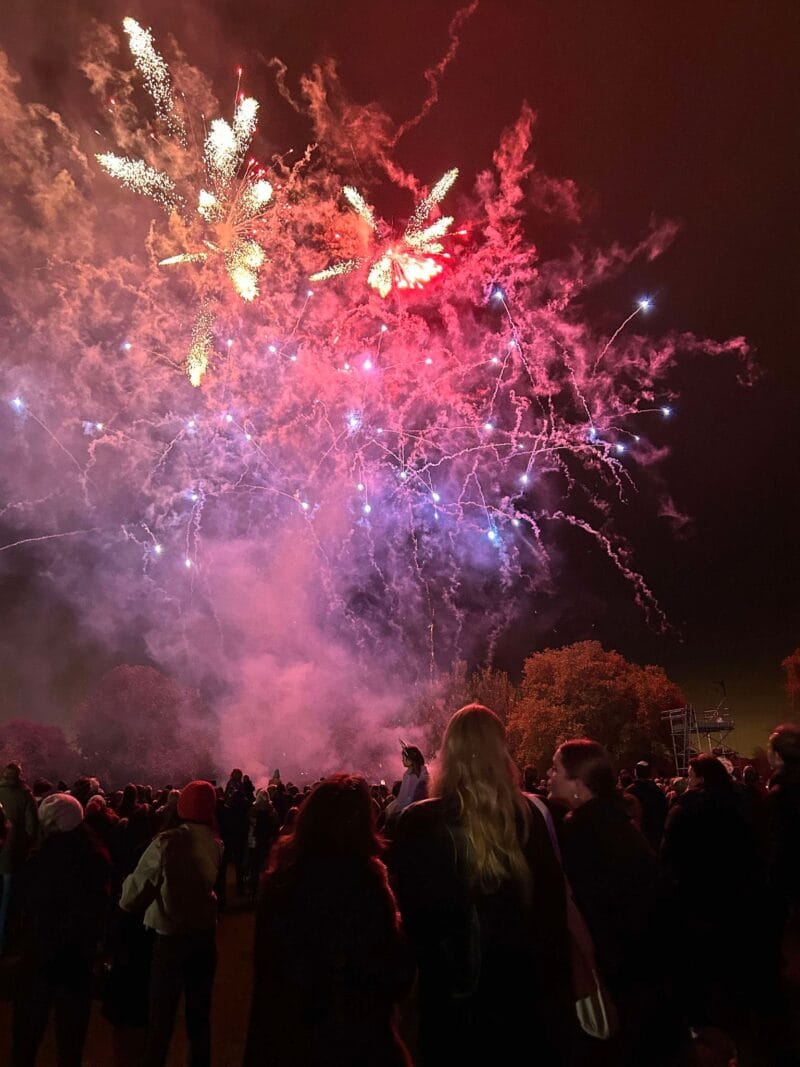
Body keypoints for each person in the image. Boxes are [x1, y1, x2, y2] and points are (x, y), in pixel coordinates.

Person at [390, 704, 574, 1066]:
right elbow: (552, 916)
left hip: (453, 1009)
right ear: (501, 750)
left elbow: (416, 926)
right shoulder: (536, 815)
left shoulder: (419, 822)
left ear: (448, 752)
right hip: (526, 1005)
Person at [244, 774, 413, 1067]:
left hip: (288, 1040)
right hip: (352, 1041)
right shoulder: (366, 884)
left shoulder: (280, 881)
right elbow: (393, 975)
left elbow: (267, 974)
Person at [548, 740, 684, 1066]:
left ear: (579, 784)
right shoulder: (613, 821)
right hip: (645, 976)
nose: (549, 775)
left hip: (620, 978)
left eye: (555, 768)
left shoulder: (582, 832)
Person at [120, 780, 223, 1067]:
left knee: (160, 1020)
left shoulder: (167, 842)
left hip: (171, 938)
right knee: (199, 1019)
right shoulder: (215, 842)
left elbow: (134, 892)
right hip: (204, 937)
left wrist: (124, 898)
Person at [12, 792, 111, 1067]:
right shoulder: (96, 853)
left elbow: (26, 900)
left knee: (28, 1031)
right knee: (71, 1037)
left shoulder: (41, 857)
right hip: (78, 955)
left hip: (41, 951)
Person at [0, 762, 39, 954]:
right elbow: (32, 829)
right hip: (11, 855)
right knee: (6, 901)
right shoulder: (25, 796)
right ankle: (2, 942)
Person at [625, 760, 667, 851]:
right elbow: (664, 810)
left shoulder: (630, 791)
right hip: (656, 834)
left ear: (636, 772)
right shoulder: (657, 790)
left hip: (638, 836)